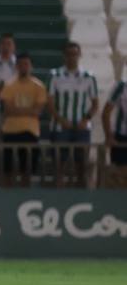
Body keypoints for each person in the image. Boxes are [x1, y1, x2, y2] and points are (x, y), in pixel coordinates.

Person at [47, 42, 98, 185]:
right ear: (64, 56)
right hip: (60, 126)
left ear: (79, 55)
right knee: (59, 163)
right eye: (69, 54)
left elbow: (95, 104)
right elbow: (49, 102)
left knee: (82, 163)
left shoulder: (89, 76)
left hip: (82, 127)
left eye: (74, 54)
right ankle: (59, 195)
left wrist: (85, 119)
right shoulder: (55, 75)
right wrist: (60, 119)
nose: (72, 58)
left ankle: (81, 195)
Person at [0, 52, 48, 181]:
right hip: (10, 131)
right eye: (20, 64)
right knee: (7, 170)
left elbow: (37, 111)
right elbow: (7, 110)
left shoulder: (39, 86)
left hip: (30, 132)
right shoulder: (9, 85)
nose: (23, 67)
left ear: (31, 66)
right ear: (16, 66)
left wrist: (18, 110)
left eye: (26, 64)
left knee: (28, 170)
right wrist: (29, 110)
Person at [102, 75, 127, 168]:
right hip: (122, 138)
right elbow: (106, 112)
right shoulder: (121, 86)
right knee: (120, 175)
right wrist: (109, 136)